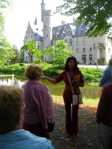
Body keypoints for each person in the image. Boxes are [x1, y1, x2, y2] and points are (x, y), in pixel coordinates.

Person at [42, 56, 84, 136]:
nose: (72, 63)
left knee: (75, 113)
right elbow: (55, 81)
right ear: (67, 63)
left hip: (76, 94)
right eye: (70, 62)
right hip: (67, 93)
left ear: (75, 63)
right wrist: (46, 77)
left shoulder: (78, 72)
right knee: (68, 113)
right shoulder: (64, 73)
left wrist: (77, 83)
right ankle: (68, 131)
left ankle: (75, 131)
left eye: (73, 62)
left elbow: (82, 84)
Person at [22, 64, 54, 140]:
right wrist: (45, 125)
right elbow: (43, 107)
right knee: (39, 141)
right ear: (38, 74)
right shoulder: (40, 88)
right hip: (38, 121)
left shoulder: (23, 86)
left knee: (28, 141)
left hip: (26, 120)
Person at [96, 83, 112, 149]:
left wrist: (98, 120)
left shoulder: (108, 88)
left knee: (106, 145)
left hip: (108, 123)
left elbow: (101, 108)